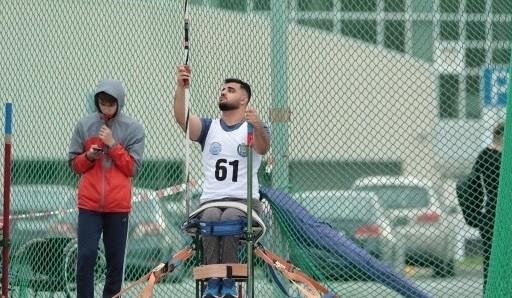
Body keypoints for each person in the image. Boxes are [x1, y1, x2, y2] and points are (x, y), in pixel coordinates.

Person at [173, 65, 270, 298]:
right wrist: (181, 87)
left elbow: (263, 146)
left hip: (243, 201)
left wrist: (256, 124)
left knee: (227, 220)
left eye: (231, 90)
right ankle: (211, 282)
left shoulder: (253, 128)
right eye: (223, 89)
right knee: (209, 219)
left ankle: (228, 283)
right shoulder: (210, 128)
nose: (224, 92)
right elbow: (182, 118)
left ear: (244, 99)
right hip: (211, 201)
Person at [68, 79, 145, 298]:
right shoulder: (84, 125)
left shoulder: (134, 128)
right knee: (86, 255)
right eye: (102, 102)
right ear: (97, 101)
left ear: (119, 102)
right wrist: (89, 157)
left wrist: (113, 144)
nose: (107, 107)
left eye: (111, 103)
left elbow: (132, 168)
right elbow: (74, 164)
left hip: (117, 207)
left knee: (116, 262)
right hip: (89, 204)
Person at [470, 121, 503, 292]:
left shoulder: (484, 155)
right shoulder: (506, 157)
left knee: (490, 262)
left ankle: (490, 292)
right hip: (499, 212)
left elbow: (471, 185)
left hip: (490, 213)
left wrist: (475, 214)